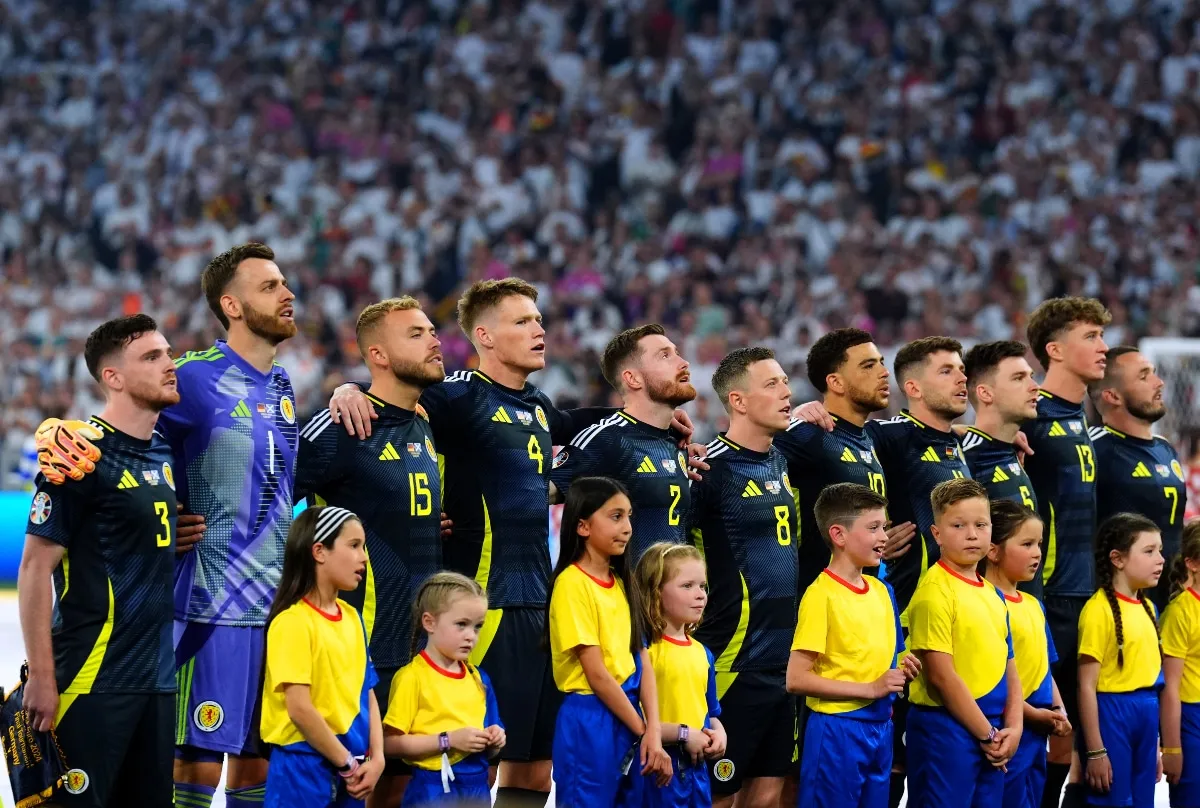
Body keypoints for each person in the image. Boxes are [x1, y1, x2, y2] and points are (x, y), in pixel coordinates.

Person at [329, 280, 696, 807]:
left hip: (540, 606)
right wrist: (348, 388)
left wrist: (665, 428)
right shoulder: (455, 395)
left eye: (538, 319)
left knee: (534, 769)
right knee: (449, 763)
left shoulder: (539, 404)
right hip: (485, 605)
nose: (539, 329)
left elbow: (584, 422)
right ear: (485, 336)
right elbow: (390, 387)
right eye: (522, 321)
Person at [35, 243, 301, 808]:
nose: (288, 293)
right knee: (196, 767)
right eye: (270, 286)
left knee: (259, 759)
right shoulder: (196, 378)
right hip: (206, 609)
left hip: (274, 609)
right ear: (230, 305)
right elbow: (127, 430)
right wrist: (63, 432)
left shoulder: (283, 388)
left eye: (284, 283)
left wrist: (354, 393)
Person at [18, 314, 180, 807]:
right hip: (91, 682)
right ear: (112, 377)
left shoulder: (163, 451)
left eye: (168, 353)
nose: (170, 364)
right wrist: (44, 678)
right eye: (152, 357)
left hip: (157, 682)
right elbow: (33, 570)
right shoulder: (77, 455)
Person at [295, 297, 446, 807]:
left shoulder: (424, 422)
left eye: (432, 330)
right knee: (355, 783)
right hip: (363, 644)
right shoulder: (342, 424)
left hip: (420, 644)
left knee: (401, 782)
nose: (434, 340)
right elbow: (267, 502)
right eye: (416, 334)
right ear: (378, 355)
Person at [689, 347, 799, 808]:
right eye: (771, 384)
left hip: (785, 660)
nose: (787, 391)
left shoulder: (780, 459)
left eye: (785, 382)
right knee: (719, 796)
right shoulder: (707, 468)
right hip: (733, 659)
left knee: (768, 795)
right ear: (737, 400)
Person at [1023, 296, 1109, 808]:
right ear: (1055, 350)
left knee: (1078, 738)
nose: (1102, 348)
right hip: (1048, 598)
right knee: (1050, 731)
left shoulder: (1080, 418)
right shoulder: (1028, 414)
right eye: (1090, 337)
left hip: (1087, 595)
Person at [786, 483, 920, 808]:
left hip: (881, 727)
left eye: (884, 527)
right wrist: (871, 688)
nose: (884, 537)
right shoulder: (821, 595)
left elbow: (892, 658)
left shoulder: (881, 590)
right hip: (837, 730)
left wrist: (906, 667)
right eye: (873, 528)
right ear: (839, 535)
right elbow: (796, 679)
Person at [547, 477, 671, 806]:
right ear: (583, 526)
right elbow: (597, 675)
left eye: (629, 516)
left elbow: (641, 657)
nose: (628, 527)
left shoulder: (619, 581)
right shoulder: (572, 583)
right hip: (591, 718)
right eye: (616, 516)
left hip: (628, 713)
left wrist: (653, 731)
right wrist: (645, 731)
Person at [905, 478, 1023, 808]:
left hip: (994, 728)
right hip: (946, 728)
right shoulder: (934, 592)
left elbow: (1009, 666)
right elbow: (942, 677)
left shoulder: (993, 593)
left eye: (980, 525)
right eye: (958, 525)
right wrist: (987, 734)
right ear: (937, 534)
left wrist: (1013, 727)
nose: (972, 534)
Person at [773, 328, 913, 596]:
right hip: (817, 601)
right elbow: (744, 452)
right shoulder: (808, 434)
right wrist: (792, 419)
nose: (884, 373)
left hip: (863, 598)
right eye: (868, 366)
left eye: (882, 363)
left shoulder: (869, 437)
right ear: (836, 383)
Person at [260, 506, 384, 807]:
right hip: (302, 767)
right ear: (319, 551)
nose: (364, 557)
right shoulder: (292, 622)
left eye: (363, 547)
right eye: (354, 546)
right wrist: (345, 763)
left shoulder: (353, 617)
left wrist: (378, 759)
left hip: (350, 767)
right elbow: (299, 709)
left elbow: (366, 692)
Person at [549, 324, 699, 565]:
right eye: (664, 355)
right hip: (623, 598)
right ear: (632, 378)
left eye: (677, 352)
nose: (683, 362)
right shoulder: (607, 439)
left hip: (670, 598)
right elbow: (536, 492)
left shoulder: (674, 442)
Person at [383, 572, 506, 807]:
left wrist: (496, 740)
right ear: (429, 622)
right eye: (461, 625)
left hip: (476, 789)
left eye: (477, 626)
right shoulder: (412, 677)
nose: (471, 636)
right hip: (432, 790)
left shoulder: (479, 678)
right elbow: (389, 745)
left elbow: (491, 746)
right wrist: (447, 740)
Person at [982, 500, 1072, 808]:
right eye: (1027, 544)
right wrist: (1033, 715)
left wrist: (1059, 709)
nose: (1037, 553)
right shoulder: (987, 603)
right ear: (993, 550)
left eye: (1039, 544)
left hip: (1037, 733)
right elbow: (988, 676)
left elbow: (1044, 667)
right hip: (1007, 730)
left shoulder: (1033, 605)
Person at [1076, 513, 1164, 808]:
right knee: (1114, 801)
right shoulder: (1097, 611)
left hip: (1147, 714)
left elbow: (1152, 681)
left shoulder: (1150, 608)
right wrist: (1095, 751)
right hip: (1113, 714)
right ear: (1118, 559)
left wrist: (1155, 747)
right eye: (1149, 551)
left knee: (1143, 801)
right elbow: (1086, 687)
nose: (1160, 559)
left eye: (1160, 550)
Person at [631, 542, 728, 807]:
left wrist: (719, 734)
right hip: (657, 771)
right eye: (687, 586)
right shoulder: (643, 651)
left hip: (697, 774)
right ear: (655, 592)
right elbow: (633, 723)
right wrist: (684, 734)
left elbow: (711, 712)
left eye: (702, 586)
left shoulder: (703, 653)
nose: (700, 595)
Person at [1089, 346, 1186, 611]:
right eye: (1144, 377)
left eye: (1153, 373)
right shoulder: (1093, 449)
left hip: (1173, 598)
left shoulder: (1165, 448)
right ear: (1112, 396)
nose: (1159, 382)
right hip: (1121, 606)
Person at [960, 341, 1040, 518]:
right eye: (1019, 378)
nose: (1035, 386)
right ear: (986, 393)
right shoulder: (965, 460)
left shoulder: (1010, 450)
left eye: (1031, 376)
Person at [1159, 522, 1200, 808]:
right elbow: (1170, 686)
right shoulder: (1180, 612)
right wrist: (1171, 747)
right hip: (1191, 720)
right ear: (1193, 563)